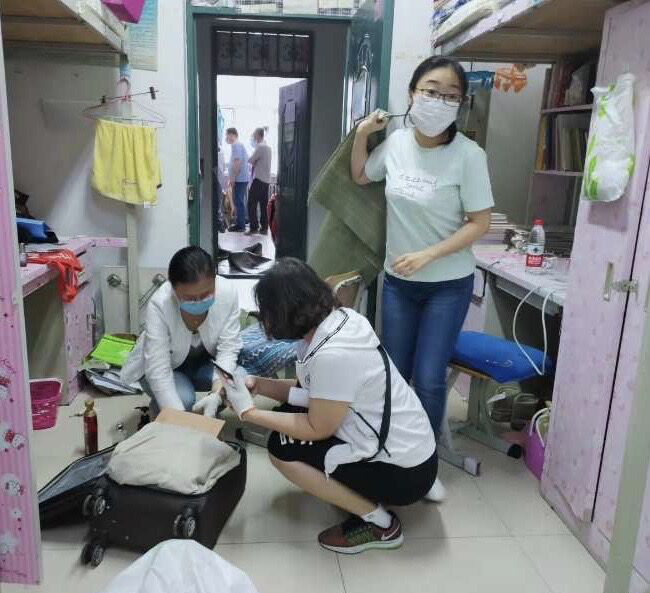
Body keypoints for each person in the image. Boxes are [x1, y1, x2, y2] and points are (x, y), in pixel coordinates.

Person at [223, 258, 438, 555]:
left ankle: (380, 524)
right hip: (414, 448)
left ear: (285, 312)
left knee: (281, 449)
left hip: (406, 473)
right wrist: (259, 385)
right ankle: (361, 491)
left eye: (267, 314)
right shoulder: (341, 320)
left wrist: (250, 413)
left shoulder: (332, 354)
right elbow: (314, 391)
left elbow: (317, 427)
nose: (265, 322)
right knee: (288, 417)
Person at [350, 57, 494, 501]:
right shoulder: (395, 144)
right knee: (394, 372)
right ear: (412, 93)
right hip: (399, 283)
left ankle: (424, 467)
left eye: (450, 95)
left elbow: (480, 223)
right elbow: (360, 175)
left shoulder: (469, 156)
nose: (439, 101)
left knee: (429, 378)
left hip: (447, 285)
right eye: (431, 90)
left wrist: (430, 254)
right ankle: (392, 449)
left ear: (461, 104)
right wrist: (362, 135)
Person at [121, 246, 242, 417]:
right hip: (169, 368)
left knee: (238, 381)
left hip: (204, 364)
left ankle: (209, 409)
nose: (199, 302)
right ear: (173, 289)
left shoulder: (228, 293)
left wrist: (217, 394)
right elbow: (158, 370)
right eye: (190, 298)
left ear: (215, 280)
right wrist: (179, 420)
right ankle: (161, 410)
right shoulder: (160, 304)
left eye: (206, 294)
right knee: (183, 401)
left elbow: (229, 348)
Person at [247, 127, 273, 235]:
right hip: (266, 180)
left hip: (258, 179)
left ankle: (253, 228)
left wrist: (254, 161)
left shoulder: (260, 147)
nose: (253, 136)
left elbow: (250, 160)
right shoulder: (268, 148)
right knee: (263, 204)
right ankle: (264, 228)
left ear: (258, 135)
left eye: (254, 134)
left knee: (251, 203)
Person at [226, 127, 250, 232]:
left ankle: (241, 226)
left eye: (227, 135)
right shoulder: (236, 145)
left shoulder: (236, 145)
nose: (226, 138)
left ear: (233, 135)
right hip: (241, 178)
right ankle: (240, 223)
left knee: (239, 201)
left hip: (240, 179)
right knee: (239, 201)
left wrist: (233, 178)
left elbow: (237, 163)